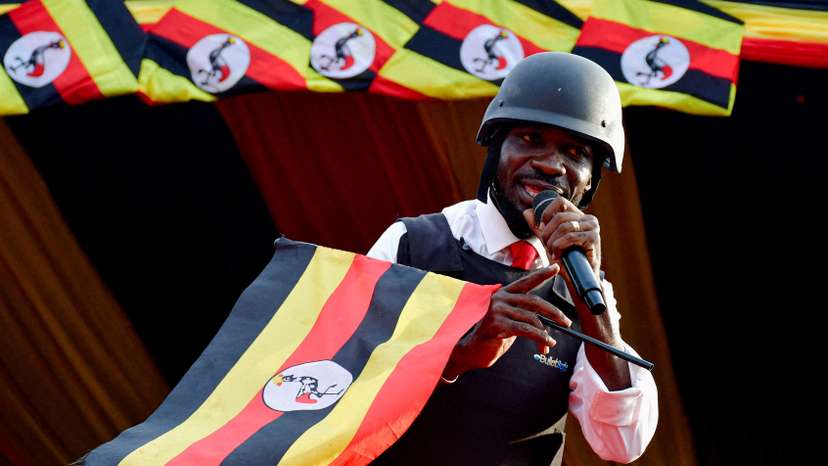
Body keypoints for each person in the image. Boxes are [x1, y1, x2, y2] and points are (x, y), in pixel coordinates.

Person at [366, 52, 658, 465]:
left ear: (591, 181)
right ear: (495, 148)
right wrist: (461, 351)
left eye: (574, 152)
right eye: (530, 138)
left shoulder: (588, 288)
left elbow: (622, 443)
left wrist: (592, 301)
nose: (551, 165)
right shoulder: (412, 244)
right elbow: (342, 383)